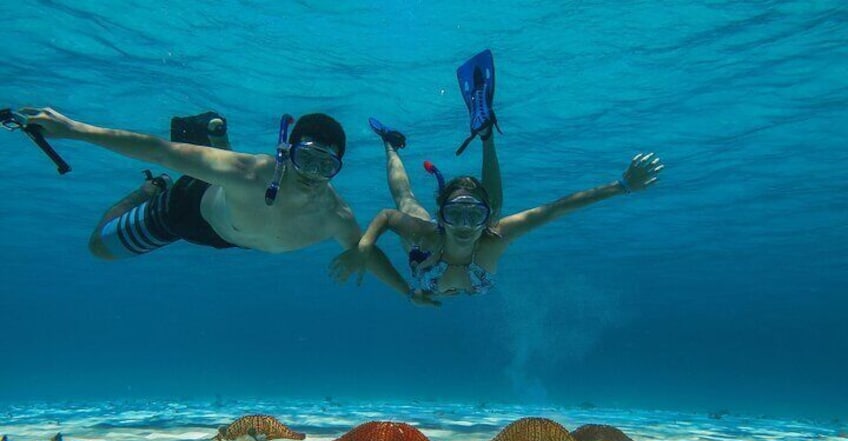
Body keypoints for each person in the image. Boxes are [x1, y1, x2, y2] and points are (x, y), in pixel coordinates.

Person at [330, 50, 664, 301]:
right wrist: (363, 247)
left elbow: (557, 208)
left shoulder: (483, 233)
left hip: (439, 254)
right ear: (442, 216)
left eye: (471, 215)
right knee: (408, 200)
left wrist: (623, 185)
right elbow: (387, 216)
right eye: (456, 214)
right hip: (430, 245)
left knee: (490, 216)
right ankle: (397, 145)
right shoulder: (438, 234)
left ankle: (483, 136)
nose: (463, 224)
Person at [15, 106, 423, 303]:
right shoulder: (251, 173)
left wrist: (407, 292)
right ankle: (154, 189)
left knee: (220, 180)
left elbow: (364, 254)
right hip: (189, 213)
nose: (312, 174)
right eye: (306, 158)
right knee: (99, 248)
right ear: (286, 153)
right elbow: (159, 150)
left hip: (236, 233)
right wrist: (74, 129)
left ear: (337, 169)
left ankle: (214, 149)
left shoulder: (337, 216)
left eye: (325, 165)